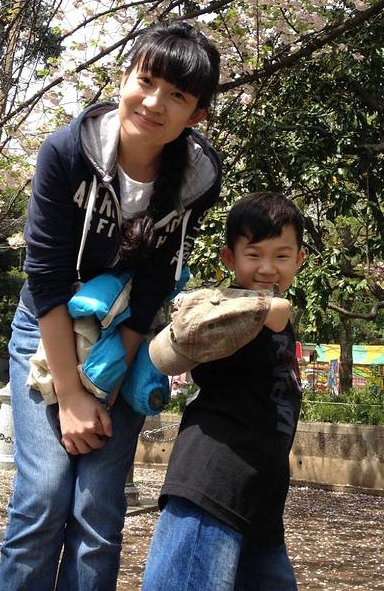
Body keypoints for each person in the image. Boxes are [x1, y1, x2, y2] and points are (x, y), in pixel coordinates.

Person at [0, 21, 221, 591]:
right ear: (124, 78)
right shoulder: (67, 152)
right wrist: (72, 396)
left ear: (196, 114)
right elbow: (46, 278)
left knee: (97, 507)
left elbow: (156, 279)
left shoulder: (196, 180)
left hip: (125, 329)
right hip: (49, 325)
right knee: (43, 496)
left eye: (177, 95)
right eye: (145, 81)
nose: (154, 103)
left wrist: (112, 373)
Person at [143, 191, 306, 591]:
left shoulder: (278, 320)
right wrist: (262, 308)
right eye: (254, 254)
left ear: (299, 259)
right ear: (229, 258)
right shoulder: (224, 313)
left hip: (261, 506)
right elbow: (183, 333)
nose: (267, 267)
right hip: (211, 488)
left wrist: (271, 311)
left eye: (281, 255)